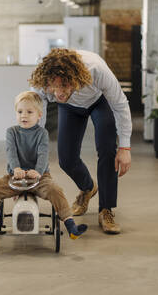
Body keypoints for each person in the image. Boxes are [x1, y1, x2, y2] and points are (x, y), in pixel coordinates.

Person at [0, 91, 87, 239]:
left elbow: (43, 154)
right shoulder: (12, 132)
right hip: (15, 176)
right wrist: (16, 168)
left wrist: (38, 171)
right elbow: (11, 152)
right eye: (20, 111)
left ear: (39, 115)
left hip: (39, 177)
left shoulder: (42, 133)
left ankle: (70, 225)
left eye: (29, 112)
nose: (24, 115)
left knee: (56, 191)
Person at [29, 48, 132, 234]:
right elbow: (36, 111)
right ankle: (88, 188)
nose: (59, 93)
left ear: (76, 79)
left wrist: (125, 147)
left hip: (99, 103)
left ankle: (106, 210)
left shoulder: (96, 69)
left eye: (64, 86)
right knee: (66, 159)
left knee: (108, 151)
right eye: (55, 87)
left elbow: (120, 104)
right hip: (69, 107)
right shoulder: (44, 80)